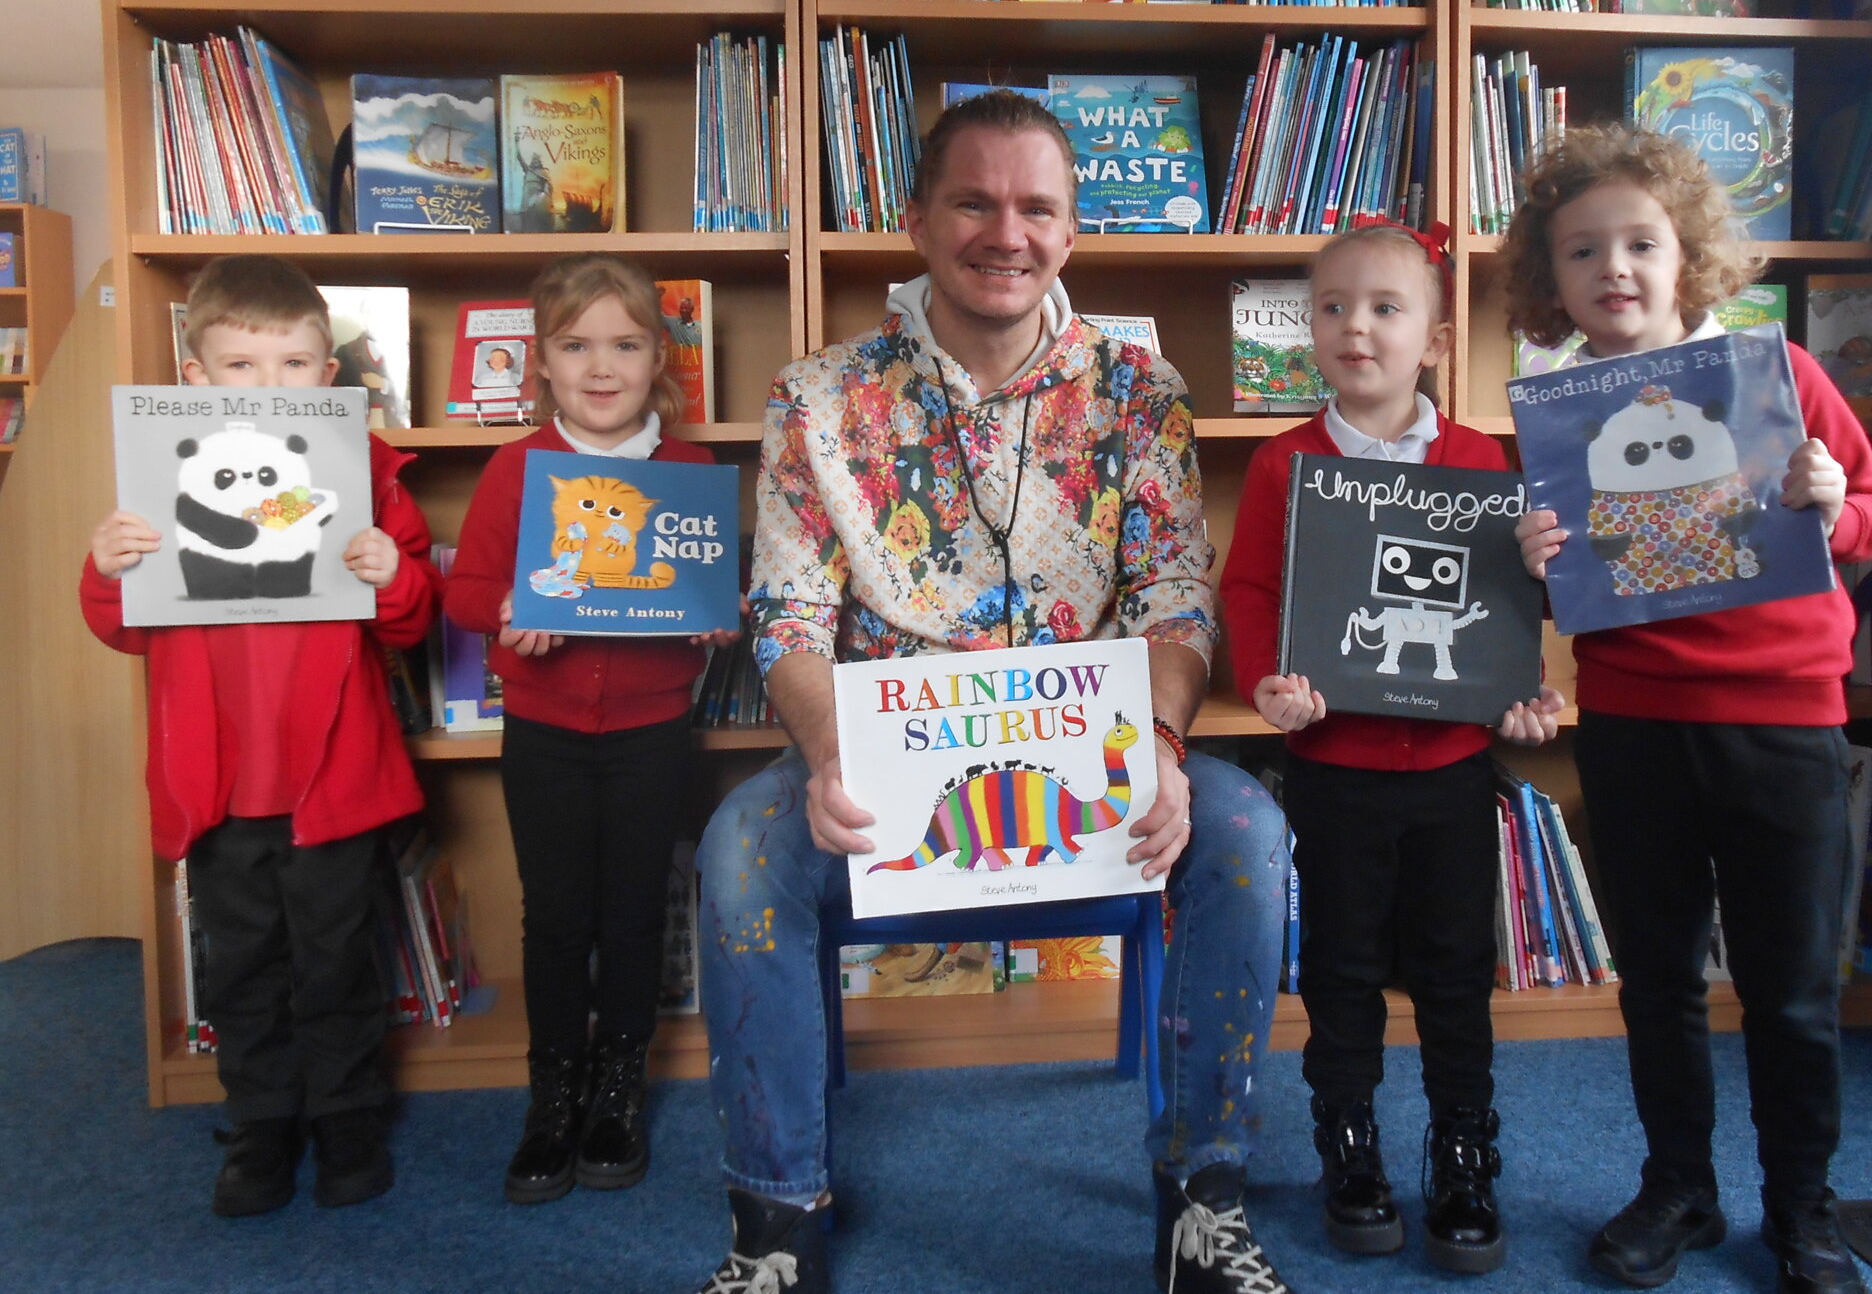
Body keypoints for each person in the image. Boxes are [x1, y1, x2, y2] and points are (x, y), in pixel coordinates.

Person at [693, 90, 1294, 1294]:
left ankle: (1202, 1200)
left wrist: (1166, 746)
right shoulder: (817, 397)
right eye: (973, 202)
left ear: (1069, 234)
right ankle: (776, 1219)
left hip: (1095, 759)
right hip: (877, 757)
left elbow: (1178, 598)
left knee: (1245, 836)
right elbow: (789, 614)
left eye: (1036, 209)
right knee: (736, 857)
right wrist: (822, 754)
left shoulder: (1141, 392)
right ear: (915, 219)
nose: (1004, 234)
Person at [1506, 126, 1872, 1294]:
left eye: (1638, 243)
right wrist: (1530, 557)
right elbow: (1558, 577)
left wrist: (1832, 504)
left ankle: (1803, 1208)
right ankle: (1678, 1184)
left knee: (1790, 987)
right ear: (1551, 279)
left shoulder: (1778, 376)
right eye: (1581, 252)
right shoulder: (1555, 413)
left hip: (1782, 721)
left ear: (1687, 258)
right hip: (1631, 723)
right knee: (1658, 978)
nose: (1612, 269)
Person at [1219, 224, 1564, 1277]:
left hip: (1453, 773)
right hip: (1332, 770)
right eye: (1330, 308)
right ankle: (1348, 1143)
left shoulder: (1480, 462)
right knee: (1341, 967)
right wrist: (1263, 682)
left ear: (1434, 339)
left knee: (1457, 971)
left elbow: (1506, 608)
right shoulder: (1287, 462)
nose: (1354, 328)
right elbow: (1247, 593)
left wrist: (1518, 688)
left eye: (1383, 308)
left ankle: (1463, 1147)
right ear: (1307, 331)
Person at [80, 256, 440, 1217]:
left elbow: (410, 623)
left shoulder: (362, 472)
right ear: (193, 375)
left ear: (329, 378)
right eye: (240, 364)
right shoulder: (160, 471)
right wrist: (107, 567)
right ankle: (262, 1124)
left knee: (336, 958)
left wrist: (387, 573)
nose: (268, 383)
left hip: (331, 778)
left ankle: (349, 1117)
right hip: (219, 785)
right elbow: (120, 625)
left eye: (292, 363)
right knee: (240, 967)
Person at [445, 254, 740, 1205]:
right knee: (558, 918)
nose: (601, 366)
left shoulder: (689, 472)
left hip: (653, 732)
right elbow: (465, 590)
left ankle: (618, 1087)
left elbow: (710, 594)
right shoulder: (516, 467)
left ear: (661, 359)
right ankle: (552, 1092)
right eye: (576, 346)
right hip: (544, 732)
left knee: (631, 910)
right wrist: (507, 613)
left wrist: (712, 612)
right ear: (542, 362)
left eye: (625, 344)